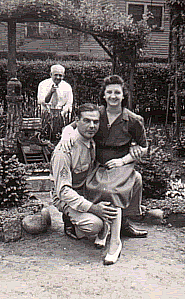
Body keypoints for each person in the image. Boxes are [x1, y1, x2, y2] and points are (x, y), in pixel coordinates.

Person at [59, 75, 149, 239]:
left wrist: (125, 159)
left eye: (117, 92)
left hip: (120, 166)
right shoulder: (96, 114)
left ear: (123, 95)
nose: (113, 96)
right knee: (98, 188)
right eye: (109, 92)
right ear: (104, 95)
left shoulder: (133, 120)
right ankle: (73, 218)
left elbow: (144, 147)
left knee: (136, 179)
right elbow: (72, 126)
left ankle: (124, 223)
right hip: (95, 163)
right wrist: (65, 136)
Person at [51, 103, 123, 266]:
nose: (92, 126)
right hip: (67, 196)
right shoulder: (65, 149)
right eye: (87, 121)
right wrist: (93, 208)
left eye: (96, 122)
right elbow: (63, 192)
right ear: (77, 121)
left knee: (114, 189)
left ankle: (115, 243)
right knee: (94, 225)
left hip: (87, 189)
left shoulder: (94, 138)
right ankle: (73, 221)